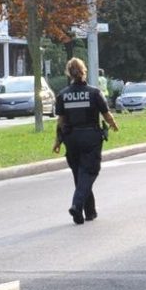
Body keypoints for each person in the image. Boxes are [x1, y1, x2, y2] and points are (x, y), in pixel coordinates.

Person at [52, 57, 118, 225]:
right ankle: (76, 205)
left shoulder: (63, 95)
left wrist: (57, 141)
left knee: (80, 174)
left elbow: (61, 121)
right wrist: (113, 125)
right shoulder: (94, 92)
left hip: (71, 138)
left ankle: (89, 212)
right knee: (89, 172)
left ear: (69, 73)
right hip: (91, 138)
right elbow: (106, 113)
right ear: (84, 71)